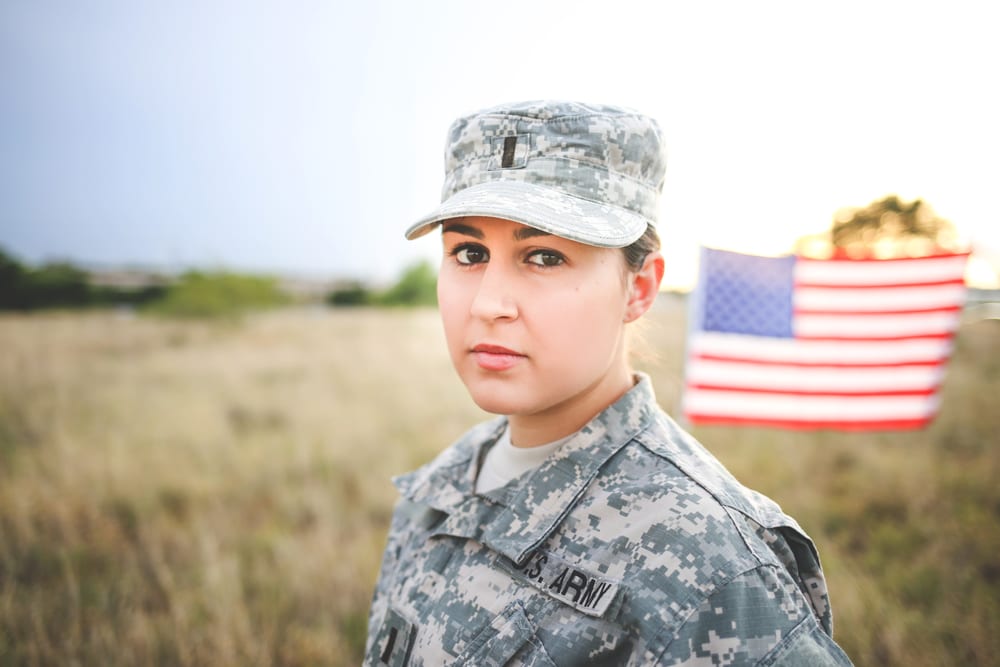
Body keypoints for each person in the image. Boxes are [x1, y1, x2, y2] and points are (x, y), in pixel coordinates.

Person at [365, 100, 853, 666]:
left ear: (640, 288)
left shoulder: (714, 568)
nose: (488, 304)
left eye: (544, 256)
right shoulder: (440, 487)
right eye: (468, 253)